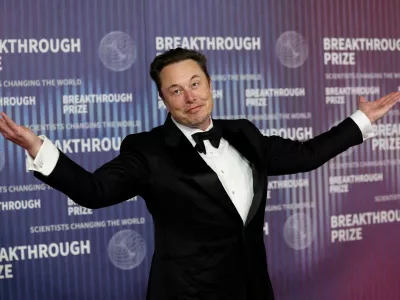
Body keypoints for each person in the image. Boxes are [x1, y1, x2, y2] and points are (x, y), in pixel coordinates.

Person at [0, 48, 399, 300]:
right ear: (163, 99)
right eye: (176, 90)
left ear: (210, 84)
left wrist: (360, 120)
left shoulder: (244, 133)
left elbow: (308, 155)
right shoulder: (148, 150)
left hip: (254, 289)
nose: (190, 96)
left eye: (195, 83)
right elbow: (94, 190)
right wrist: (39, 148)